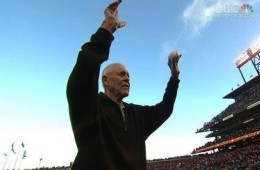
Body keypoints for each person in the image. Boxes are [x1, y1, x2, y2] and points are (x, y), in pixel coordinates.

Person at [66, 1, 181, 169]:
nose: (127, 79)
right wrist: (106, 30)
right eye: (121, 74)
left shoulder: (137, 115)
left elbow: (165, 108)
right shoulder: (89, 108)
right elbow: (83, 73)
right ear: (105, 80)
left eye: (128, 75)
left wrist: (174, 77)